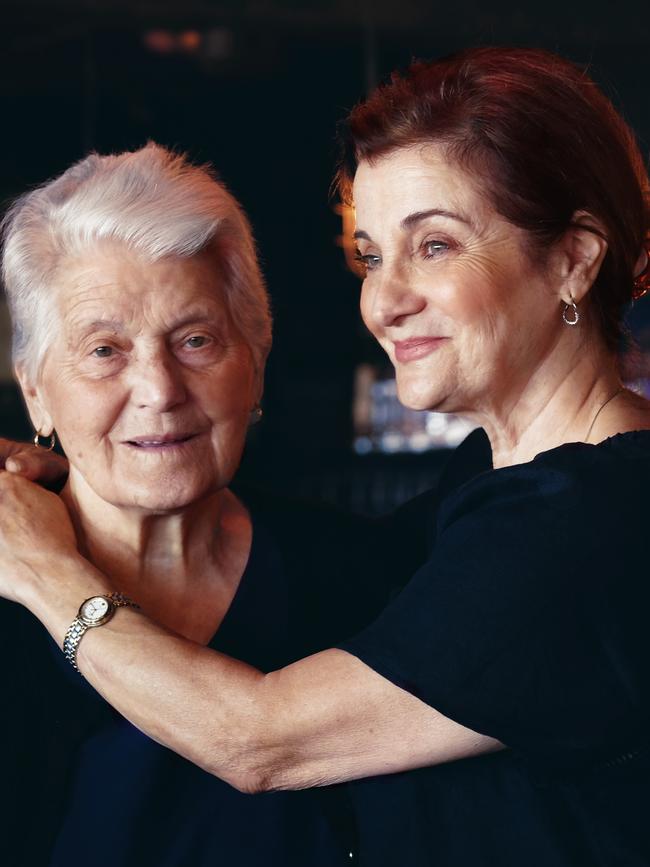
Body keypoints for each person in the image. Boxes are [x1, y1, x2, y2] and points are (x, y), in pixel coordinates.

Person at [2, 45, 650, 866]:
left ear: (573, 258)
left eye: (437, 245)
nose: (383, 299)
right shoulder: (490, 492)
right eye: (373, 255)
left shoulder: (588, 524)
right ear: (35, 389)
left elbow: (255, 742)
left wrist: (37, 564)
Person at [0, 144, 423, 866]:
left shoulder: (370, 577)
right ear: (34, 389)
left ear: (254, 361)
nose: (159, 389)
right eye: (105, 350)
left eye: (195, 340)